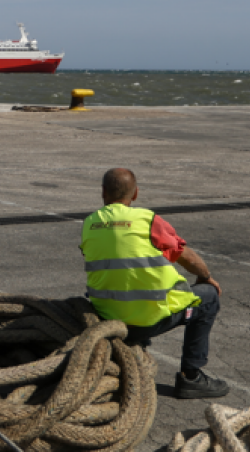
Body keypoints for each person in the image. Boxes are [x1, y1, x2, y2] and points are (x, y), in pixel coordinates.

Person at [80, 168, 229, 399]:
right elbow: (185, 256)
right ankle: (191, 377)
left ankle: (133, 343)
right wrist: (206, 276)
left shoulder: (90, 223)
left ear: (103, 192)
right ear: (136, 194)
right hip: (147, 320)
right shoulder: (147, 220)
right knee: (208, 296)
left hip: (107, 316)